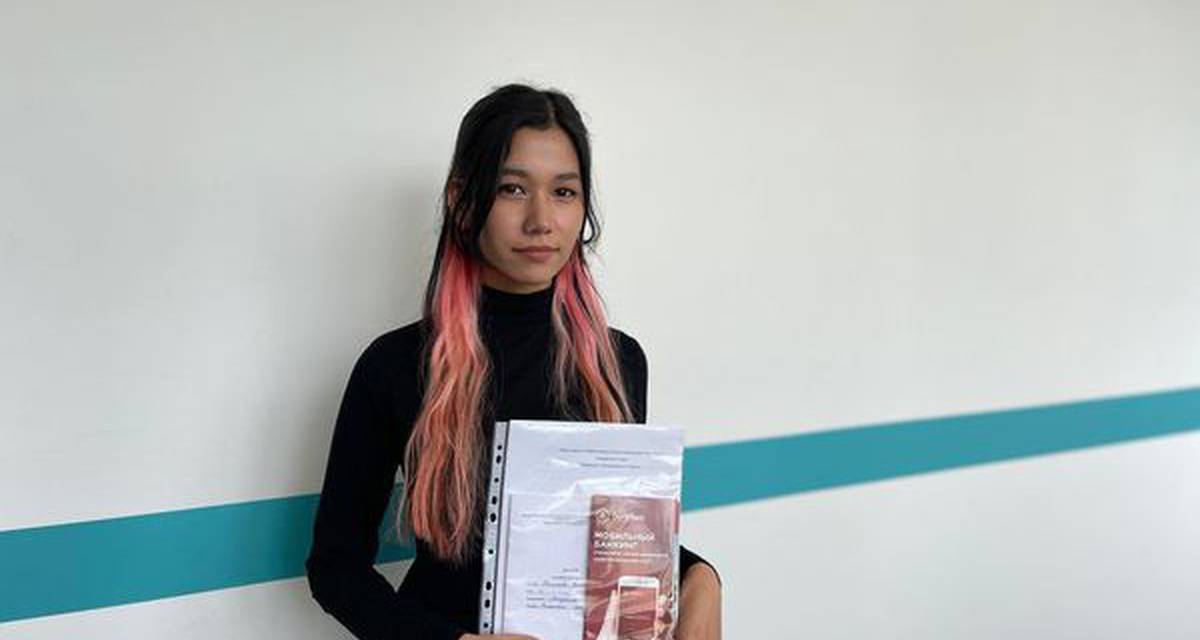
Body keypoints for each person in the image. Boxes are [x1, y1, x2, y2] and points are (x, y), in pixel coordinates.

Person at [305, 83, 722, 640]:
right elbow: (336, 568)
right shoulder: (396, 365)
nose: (541, 220)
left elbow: (611, 539)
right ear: (462, 199)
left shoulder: (617, 362)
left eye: (564, 192)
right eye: (512, 189)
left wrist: (698, 574)